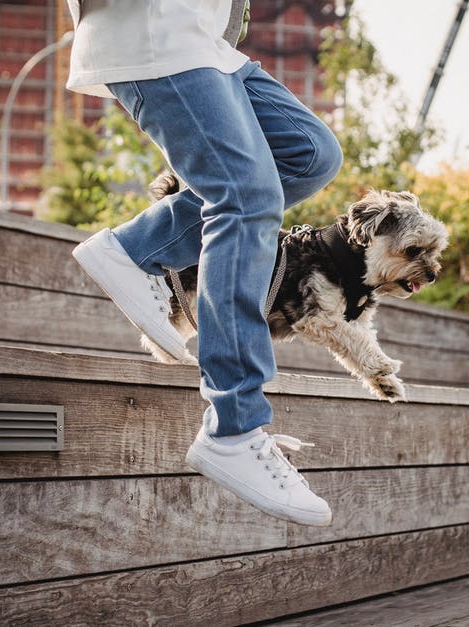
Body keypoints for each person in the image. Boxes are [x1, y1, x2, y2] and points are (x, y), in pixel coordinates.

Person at [64, 0, 343, 527]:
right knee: (245, 198)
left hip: (207, 40)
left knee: (309, 154)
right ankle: (234, 425)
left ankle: (136, 248)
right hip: (153, 30)